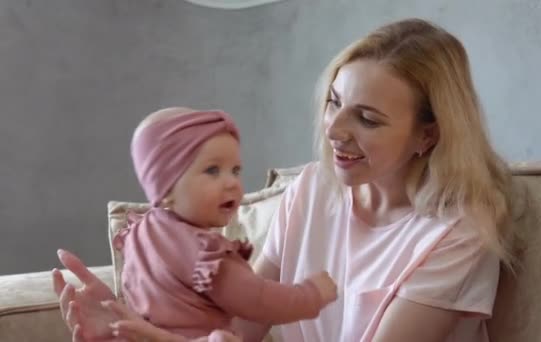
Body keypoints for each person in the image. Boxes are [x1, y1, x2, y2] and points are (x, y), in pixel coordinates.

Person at [53, 18, 515, 342]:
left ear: (427, 135)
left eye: (368, 119)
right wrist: (131, 329)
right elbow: (241, 329)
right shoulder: (312, 190)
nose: (333, 130)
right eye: (334, 102)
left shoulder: (458, 232)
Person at [52, 107, 337, 341]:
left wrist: (117, 327)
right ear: (165, 187)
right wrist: (311, 295)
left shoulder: (140, 233)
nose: (232, 183)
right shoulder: (205, 251)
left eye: (235, 170)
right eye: (212, 170)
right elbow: (258, 300)